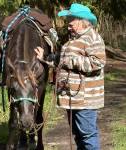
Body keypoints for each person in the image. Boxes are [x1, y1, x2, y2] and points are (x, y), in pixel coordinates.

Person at [35, 3, 106, 150]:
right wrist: (45, 57)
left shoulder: (92, 37)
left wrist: (70, 61)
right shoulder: (75, 38)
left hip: (85, 99)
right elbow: (62, 60)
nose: (68, 24)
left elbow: (98, 63)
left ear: (81, 21)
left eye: (70, 20)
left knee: (87, 135)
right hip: (74, 98)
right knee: (79, 135)